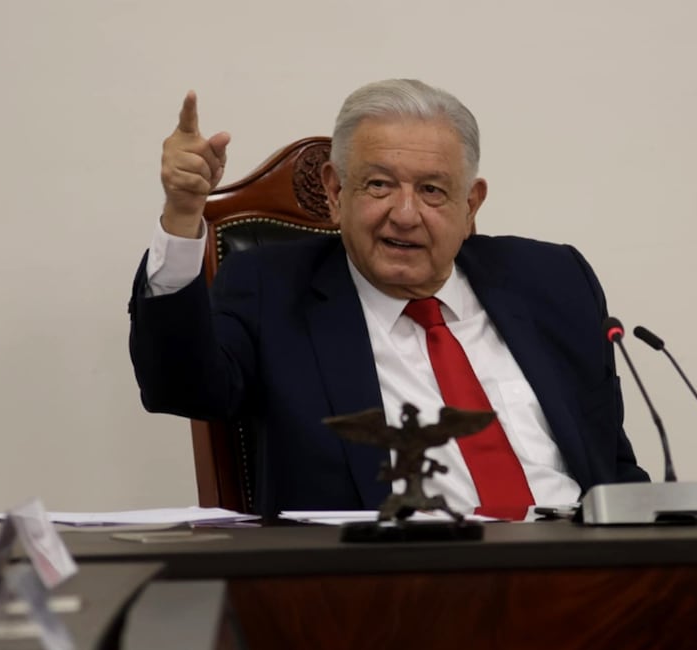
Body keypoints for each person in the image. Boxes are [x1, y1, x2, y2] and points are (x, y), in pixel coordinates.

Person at [129, 79, 649, 518]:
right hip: (393, 596)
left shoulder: (553, 281)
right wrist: (181, 215)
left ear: (471, 205)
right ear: (335, 193)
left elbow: (613, 467)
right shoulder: (272, 289)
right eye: (379, 185)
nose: (405, 214)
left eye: (432, 191)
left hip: (580, 582)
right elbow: (180, 386)